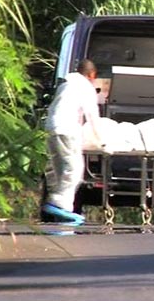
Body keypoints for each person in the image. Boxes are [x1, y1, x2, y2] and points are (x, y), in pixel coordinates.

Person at [42, 59, 103, 225]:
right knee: (74, 170)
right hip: (67, 129)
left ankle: (55, 202)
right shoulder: (86, 88)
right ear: (92, 75)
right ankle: (61, 206)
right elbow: (92, 117)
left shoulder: (66, 84)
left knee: (57, 169)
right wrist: (102, 142)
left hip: (51, 128)